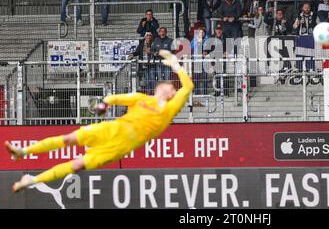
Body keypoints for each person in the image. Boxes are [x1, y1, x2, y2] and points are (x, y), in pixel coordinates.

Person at [6, 50, 193, 193]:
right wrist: (104, 104)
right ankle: (23, 151)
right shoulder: (140, 98)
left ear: (171, 93)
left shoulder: (170, 109)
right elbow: (113, 98)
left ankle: (32, 181)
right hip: (112, 128)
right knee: (68, 139)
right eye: (169, 84)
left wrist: (175, 64)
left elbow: (188, 86)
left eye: (171, 86)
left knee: (77, 164)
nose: (169, 86)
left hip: (121, 145)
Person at [191, 27, 209, 102]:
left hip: (205, 61)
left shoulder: (207, 39)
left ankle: (205, 93)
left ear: (205, 33)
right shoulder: (195, 39)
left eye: (203, 32)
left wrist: (206, 53)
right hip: (197, 61)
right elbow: (191, 46)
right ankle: (197, 92)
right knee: (196, 78)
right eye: (200, 32)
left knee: (205, 77)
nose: (201, 34)